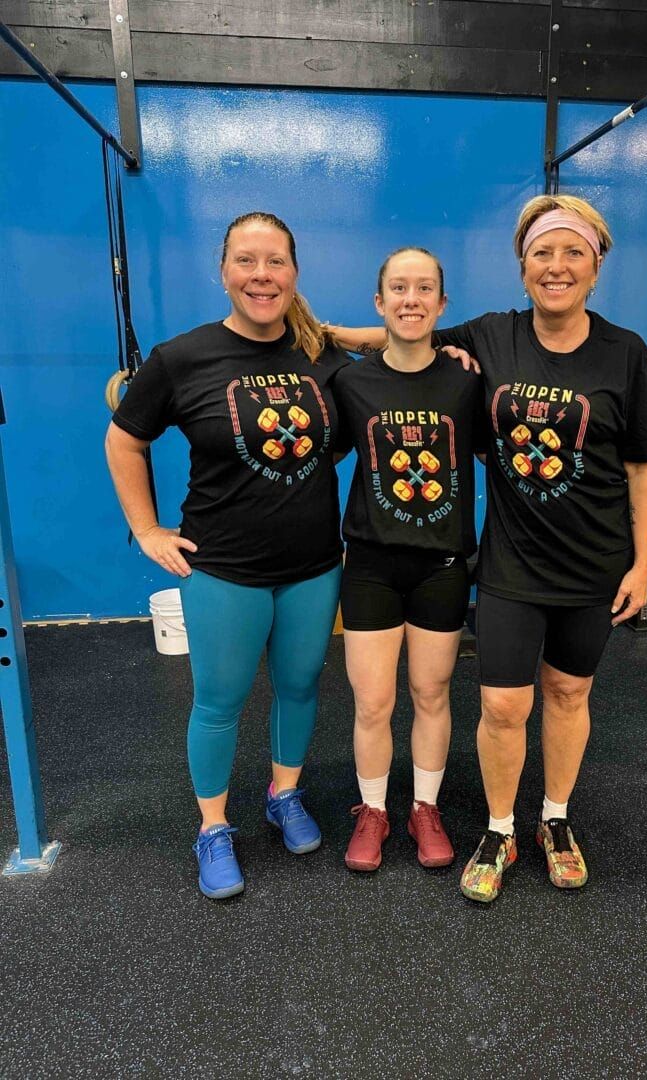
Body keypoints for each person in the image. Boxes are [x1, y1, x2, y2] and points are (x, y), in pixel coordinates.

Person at [325, 195, 647, 902]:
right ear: (523, 267)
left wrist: (638, 564)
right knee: (505, 708)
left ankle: (557, 820)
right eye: (543, 253)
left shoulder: (627, 353)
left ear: (596, 267)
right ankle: (501, 827)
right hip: (510, 563)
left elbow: (641, 469)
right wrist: (320, 332)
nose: (557, 266)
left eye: (573, 252)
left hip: (594, 565)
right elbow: (403, 336)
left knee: (569, 693)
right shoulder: (491, 336)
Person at [105, 211, 350, 900]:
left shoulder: (322, 355)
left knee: (301, 686)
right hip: (224, 568)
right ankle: (213, 828)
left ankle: (285, 794)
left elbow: (389, 371)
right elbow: (124, 440)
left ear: (294, 273)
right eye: (247, 260)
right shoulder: (182, 358)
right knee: (219, 702)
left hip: (313, 565)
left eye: (275, 261)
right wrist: (147, 529)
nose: (261, 275)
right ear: (224, 271)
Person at [332, 248, 486, 872]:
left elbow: (497, 459)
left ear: (442, 305)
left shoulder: (468, 381)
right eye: (399, 287)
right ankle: (373, 810)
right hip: (370, 563)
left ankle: (425, 807)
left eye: (425, 288)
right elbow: (309, 456)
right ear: (380, 302)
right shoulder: (351, 382)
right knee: (372, 702)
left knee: (431, 691)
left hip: (442, 565)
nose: (411, 298)